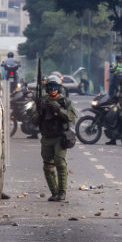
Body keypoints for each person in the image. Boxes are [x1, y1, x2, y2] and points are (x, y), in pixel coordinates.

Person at [34, 74, 76, 202]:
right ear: (47, 88)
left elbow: (71, 116)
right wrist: (40, 112)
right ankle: (54, 192)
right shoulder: (42, 101)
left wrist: (58, 110)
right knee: (47, 166)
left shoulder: (65, 102)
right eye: (50, 86)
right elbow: (34, 120)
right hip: (46, 137)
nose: (53, 89)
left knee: (60, 162)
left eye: (55, 87)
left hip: (60, 137)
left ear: (59, 88)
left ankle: (62, 192)